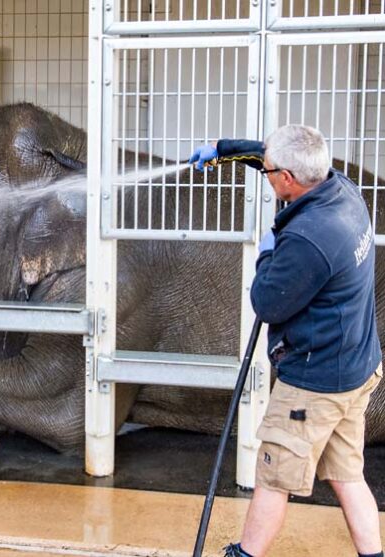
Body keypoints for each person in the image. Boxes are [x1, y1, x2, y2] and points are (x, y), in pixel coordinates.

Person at [190, 125, 384, 557]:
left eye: (269, 172)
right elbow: (272, 155)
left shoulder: (308, 238)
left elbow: (268, 303)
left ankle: (245, 554)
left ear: (288, 181)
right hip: (356, 366)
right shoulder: (342, 190)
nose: (266, 173)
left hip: (314, 385)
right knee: (348, 475)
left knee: (274, 478)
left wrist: (267, 250)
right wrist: (223, 151)